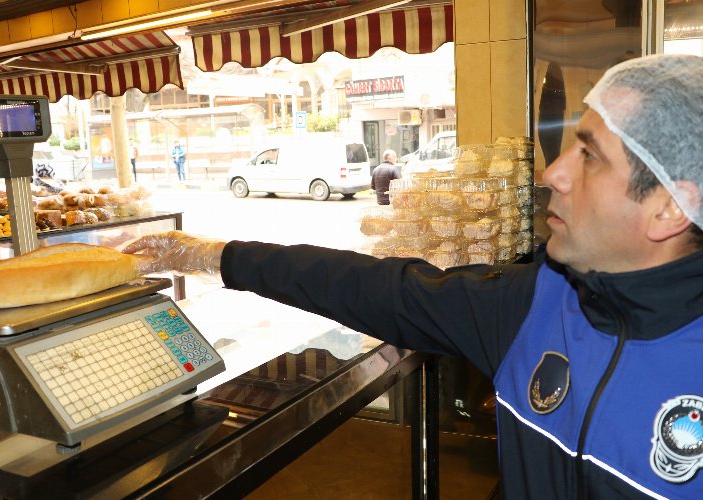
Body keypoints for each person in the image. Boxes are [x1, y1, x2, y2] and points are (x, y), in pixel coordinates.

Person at [124, 55, 703, 498]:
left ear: (669, 208)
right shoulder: (537, 304)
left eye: (590, 155)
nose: (554, 173)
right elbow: (374, 287)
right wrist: (216, 256)